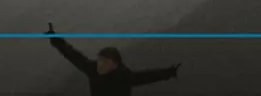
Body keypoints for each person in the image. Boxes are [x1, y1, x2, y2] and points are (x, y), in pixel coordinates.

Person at [45, 23, 180, 94]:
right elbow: (72, 55)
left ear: (115, 64)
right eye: (99, 60)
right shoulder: (92, 68)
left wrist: (169, 72)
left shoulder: (123, 76)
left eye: (104, 62)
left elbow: (147, 77)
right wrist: (55, 39)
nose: (100, 65)